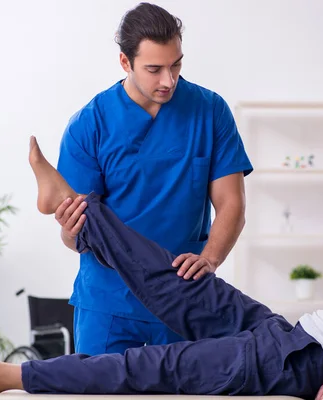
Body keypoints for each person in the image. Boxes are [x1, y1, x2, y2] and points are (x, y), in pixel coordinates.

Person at [0, 136, 323, 400]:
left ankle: (8, 376)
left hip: (300, 363)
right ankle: (73, 203)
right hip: (290, 336)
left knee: (156, 365)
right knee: (177, 280)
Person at [53, 2, 252, 356]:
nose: (168, 80)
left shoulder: (210, 110)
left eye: (176, 65)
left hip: (183, 296)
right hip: (109, 300)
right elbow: (79, 236)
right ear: (125, 63)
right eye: (154, 69)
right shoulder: (89, 124)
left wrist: (211, 258)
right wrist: (69, 230)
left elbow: (231, 203)